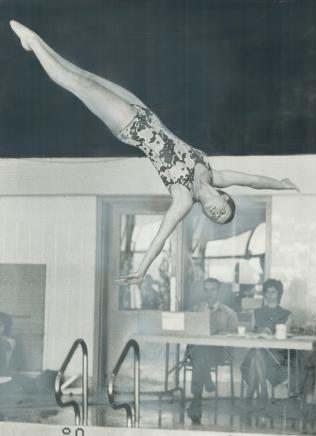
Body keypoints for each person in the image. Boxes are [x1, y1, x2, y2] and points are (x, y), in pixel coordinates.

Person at [10, 21, 299, 286]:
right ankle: (34, 43)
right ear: (224, 196)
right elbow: (253, 180)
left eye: (215, 218)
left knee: (80, 85)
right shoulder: (216, 175)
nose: (215, 212)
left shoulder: (184, 199)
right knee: (85, 75)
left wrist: (143, 268)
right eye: (223, 211)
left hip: (130, 127)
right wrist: (282, 185)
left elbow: (162, 234)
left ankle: (32, 41)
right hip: (145, 113)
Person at [186, 278, 238, 424]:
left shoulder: (228, 312)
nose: (209, 293)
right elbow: (186, 328)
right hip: (195, 351)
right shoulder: (195, 310)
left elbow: (235, 334)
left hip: (218, 353)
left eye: (212, 290)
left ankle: (197, 400)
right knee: (200, 353)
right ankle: (207, 380)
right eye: (206, 290)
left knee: (201, 357)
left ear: (218, 291)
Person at [241, 279, 292, 407]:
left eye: (273, 292)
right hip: (257, 352)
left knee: (255, 357)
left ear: (279, 294)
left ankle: (250, 397)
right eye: (267, 292)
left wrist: (272, 334)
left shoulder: (286, 314)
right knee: (257, 353)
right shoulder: (256, 312)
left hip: (276, 357)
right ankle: (263, 391)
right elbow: (250, 333)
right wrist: (259, 332)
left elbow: (287, 338)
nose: (269, 295)